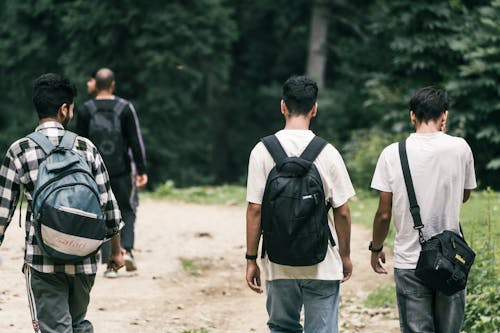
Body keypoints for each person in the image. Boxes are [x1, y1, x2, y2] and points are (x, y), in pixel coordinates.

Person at [0, 73, 124, 332]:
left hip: (42, 259)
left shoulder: (19, 150)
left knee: (54, 328)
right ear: (64, 109)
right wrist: (115, 252)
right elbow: (108, 206)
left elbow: (2, 213)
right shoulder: (86, 148)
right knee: (76, 323)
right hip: (85, 256)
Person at [245, 75, 355, 333]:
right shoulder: (328, 152)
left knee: (282, 327)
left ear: (283, 106)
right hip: (322, 264)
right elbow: (343, 212)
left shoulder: (262, 150)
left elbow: (254, 210)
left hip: (278, 263)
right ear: (314, 108)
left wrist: (251, 259)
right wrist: (345, 255)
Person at [369, 87, 477, 333]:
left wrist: (376, 248)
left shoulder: (391, 153)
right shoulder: (460, 148)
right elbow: (465, 195)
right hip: (451, 258)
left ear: (412, 116)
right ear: (444, 116)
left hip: (410, 260)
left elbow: (383, 213)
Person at [76, 68, 148, 277]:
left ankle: (110, 263)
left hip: (93, 171)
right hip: (122, 169)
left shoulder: (86, 109)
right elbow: (135, 141)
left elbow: (79, 143)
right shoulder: (125, 108)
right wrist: (141, 169)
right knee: (126, 208)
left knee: (101, 213)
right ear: (113, 85)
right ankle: (128, 251)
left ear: (96, 85)